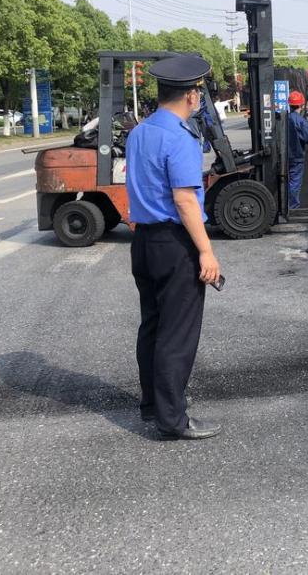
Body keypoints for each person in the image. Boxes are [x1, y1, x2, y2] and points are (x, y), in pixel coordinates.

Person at [126, 54, 222, 440]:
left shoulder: (139, 133)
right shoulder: (180, 137)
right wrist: (206, 251)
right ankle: (173, 419)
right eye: (198, 91)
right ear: (191, 96)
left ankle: (153, 405)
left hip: (144, 241)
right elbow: (184, 201)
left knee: (152, 325)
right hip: (174, 243)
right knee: (177, 333)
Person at [286, 90, 308, 209]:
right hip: (297, 156)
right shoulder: (301, 121)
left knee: (285, 180)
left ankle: (285, 204)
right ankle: (292, 206)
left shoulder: (284, 118)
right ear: (301, 105)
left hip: (285, 155)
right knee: (295, 182)